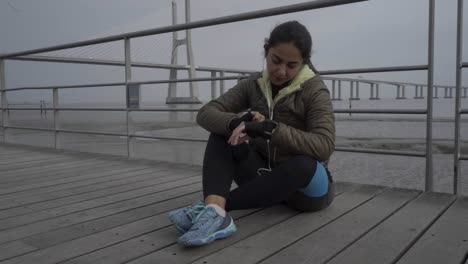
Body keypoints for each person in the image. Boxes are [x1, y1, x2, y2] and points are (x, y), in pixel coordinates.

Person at [168, 20, 336, 247]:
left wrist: (269, 129)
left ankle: (215, 208)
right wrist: (238, 122)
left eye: (291, 65)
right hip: (264, 179)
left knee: (304, 164)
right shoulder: (253, 84)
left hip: (305, 190)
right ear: (266, 50)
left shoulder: (315, 90)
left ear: (303, 63)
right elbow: (206, 113)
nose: (281, 71)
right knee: (221, 133)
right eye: (276, 60)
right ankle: (216, 214)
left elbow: (324, 144)